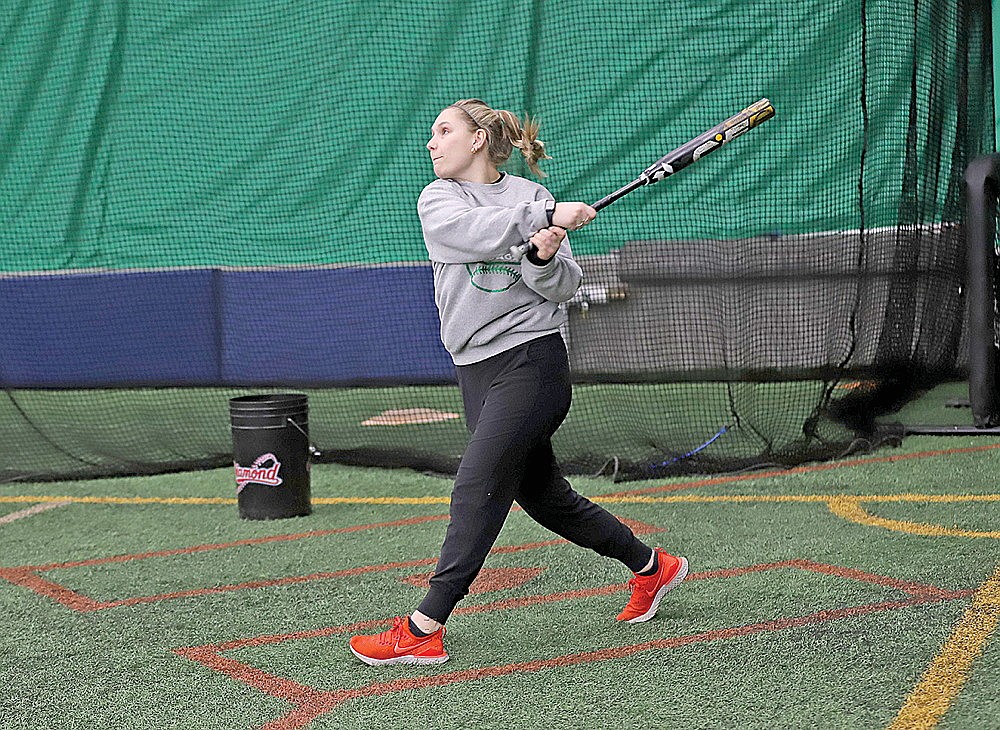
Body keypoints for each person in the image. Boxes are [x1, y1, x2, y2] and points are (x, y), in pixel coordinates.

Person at [349, 99, 688, 666]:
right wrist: (543, 221)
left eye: (443, 130)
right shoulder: (441, 200)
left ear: (478, 139)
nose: (431, 143)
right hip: (475, 369)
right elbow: (468, 235)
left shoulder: (530, 198)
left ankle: (424, 626)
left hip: (532, 362)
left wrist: (543, 257)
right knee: (547, 499)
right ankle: (654, 567)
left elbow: (561, 288)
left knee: (478, 481)